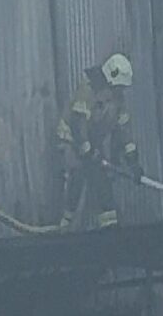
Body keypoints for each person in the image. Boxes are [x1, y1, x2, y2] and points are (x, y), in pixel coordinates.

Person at [55, 53, 139, 228]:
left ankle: (109, 225)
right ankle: (65, 223)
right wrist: (86, 149)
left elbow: (124, 131)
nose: (120, 92)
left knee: (101, 179)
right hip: (71, 138)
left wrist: (133, 162)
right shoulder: (88, 90)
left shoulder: (117, 100)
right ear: (110, 81)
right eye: (119, 88)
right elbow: (79, 125)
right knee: (77, 173)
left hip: (92, 142)